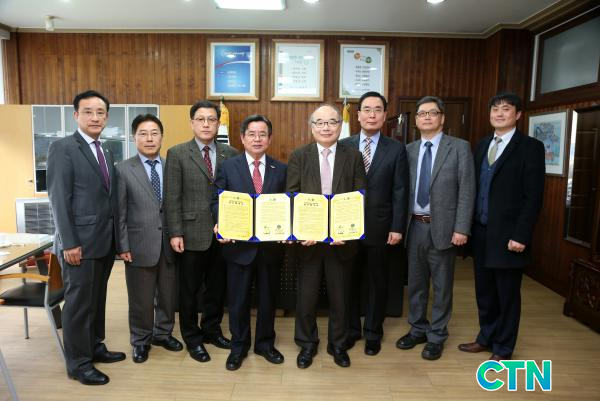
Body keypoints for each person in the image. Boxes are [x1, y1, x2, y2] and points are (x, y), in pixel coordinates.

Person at [458, 92, 545, 361]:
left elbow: (534, 196)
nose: (499, 113)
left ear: (517, 114)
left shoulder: (530, 147)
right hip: (482, 232)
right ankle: (486, 337)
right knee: (484, 292)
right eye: (495, 109)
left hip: (509, 237)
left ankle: (504, 348)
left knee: (507, 294)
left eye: (506, 109)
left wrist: (521, 235)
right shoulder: (483, 144)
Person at [47, 90, 125, 385]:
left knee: (97, 299)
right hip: (78, 243)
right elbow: (59, 199)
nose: (95, 117)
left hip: (103, 241)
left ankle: (94, 346)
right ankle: (78, 363)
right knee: (79, 303)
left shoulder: (106, 150)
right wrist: (69, 242)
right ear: (76, 115)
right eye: (88, 112)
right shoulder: (63, 148)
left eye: (100, 112)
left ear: (107, 116)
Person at [286, 104, 367, 369]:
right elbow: (292, 195)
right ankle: (307, 344)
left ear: (340, 126)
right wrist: (301, 230)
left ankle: (338, 344)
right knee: (306, 298)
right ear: (312, 127)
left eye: (332, 122)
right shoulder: (300, 156)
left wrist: (349, 231)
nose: (326, 127)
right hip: (309, 241)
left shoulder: (353, 156)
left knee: (340, 298)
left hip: (342, 241)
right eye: (320, 123)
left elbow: (359, 196)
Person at [395, 95, 475, 361]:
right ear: (416, 120)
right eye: (421, 113)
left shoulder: (459, 147)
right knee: (416, 284)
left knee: (442, 286)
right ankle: (417, 329)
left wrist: (461, 228)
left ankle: (437, 335)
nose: (426, 117)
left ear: (442, 118)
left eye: (432, 112)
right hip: (414, 226)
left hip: (444, 228)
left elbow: (467, 191)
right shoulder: (408, 150)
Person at [164, 100, 238, 363]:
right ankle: (192, 338)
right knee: (189, 291)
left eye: (211, 119)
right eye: (201, 119)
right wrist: (175, 232)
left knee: (216, 288)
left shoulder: (231, 153)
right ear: (192, 123)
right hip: (190, 233)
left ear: (218, 123)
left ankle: (212, 330)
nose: (206, 124)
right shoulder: (177, 153)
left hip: (223, 234)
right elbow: (172, 197)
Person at [212, 114, 287, 371]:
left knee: (268, 299)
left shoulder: (281, 169)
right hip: (238, 247)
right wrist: (220, 222)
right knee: (238, 301)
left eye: (262, 134)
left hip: (270, 248)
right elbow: (216, 200)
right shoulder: (228, 167)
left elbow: (288, 204)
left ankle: (265, 344)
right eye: (252, 134)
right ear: (242, 138)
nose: (257, 139)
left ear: (269, 138)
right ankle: (239, 346)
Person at [340, 91, 408, 355]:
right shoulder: (343, 145)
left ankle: (372, 332)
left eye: (377, 110)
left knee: (377, 282)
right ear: (357, 115)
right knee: (348, 281)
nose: (371, 115)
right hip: (346, 227)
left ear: (384, 115)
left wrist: (397, 227)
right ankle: (351, 330)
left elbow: (400, 190)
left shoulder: (396, 149)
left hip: (381, 227)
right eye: (366, 109)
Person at [116, 114, 183, 364]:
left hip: (169, 242)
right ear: (134, 138)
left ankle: (163, 334)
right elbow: (119, 212)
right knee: (141, 299)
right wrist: (122, 245)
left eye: (154, 133)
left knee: (168, 295)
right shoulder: (123, 169)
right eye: (143, 134)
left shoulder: (171, 166)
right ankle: (141, 340)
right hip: (138, 244)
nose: (149, 138)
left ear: (162, 137)